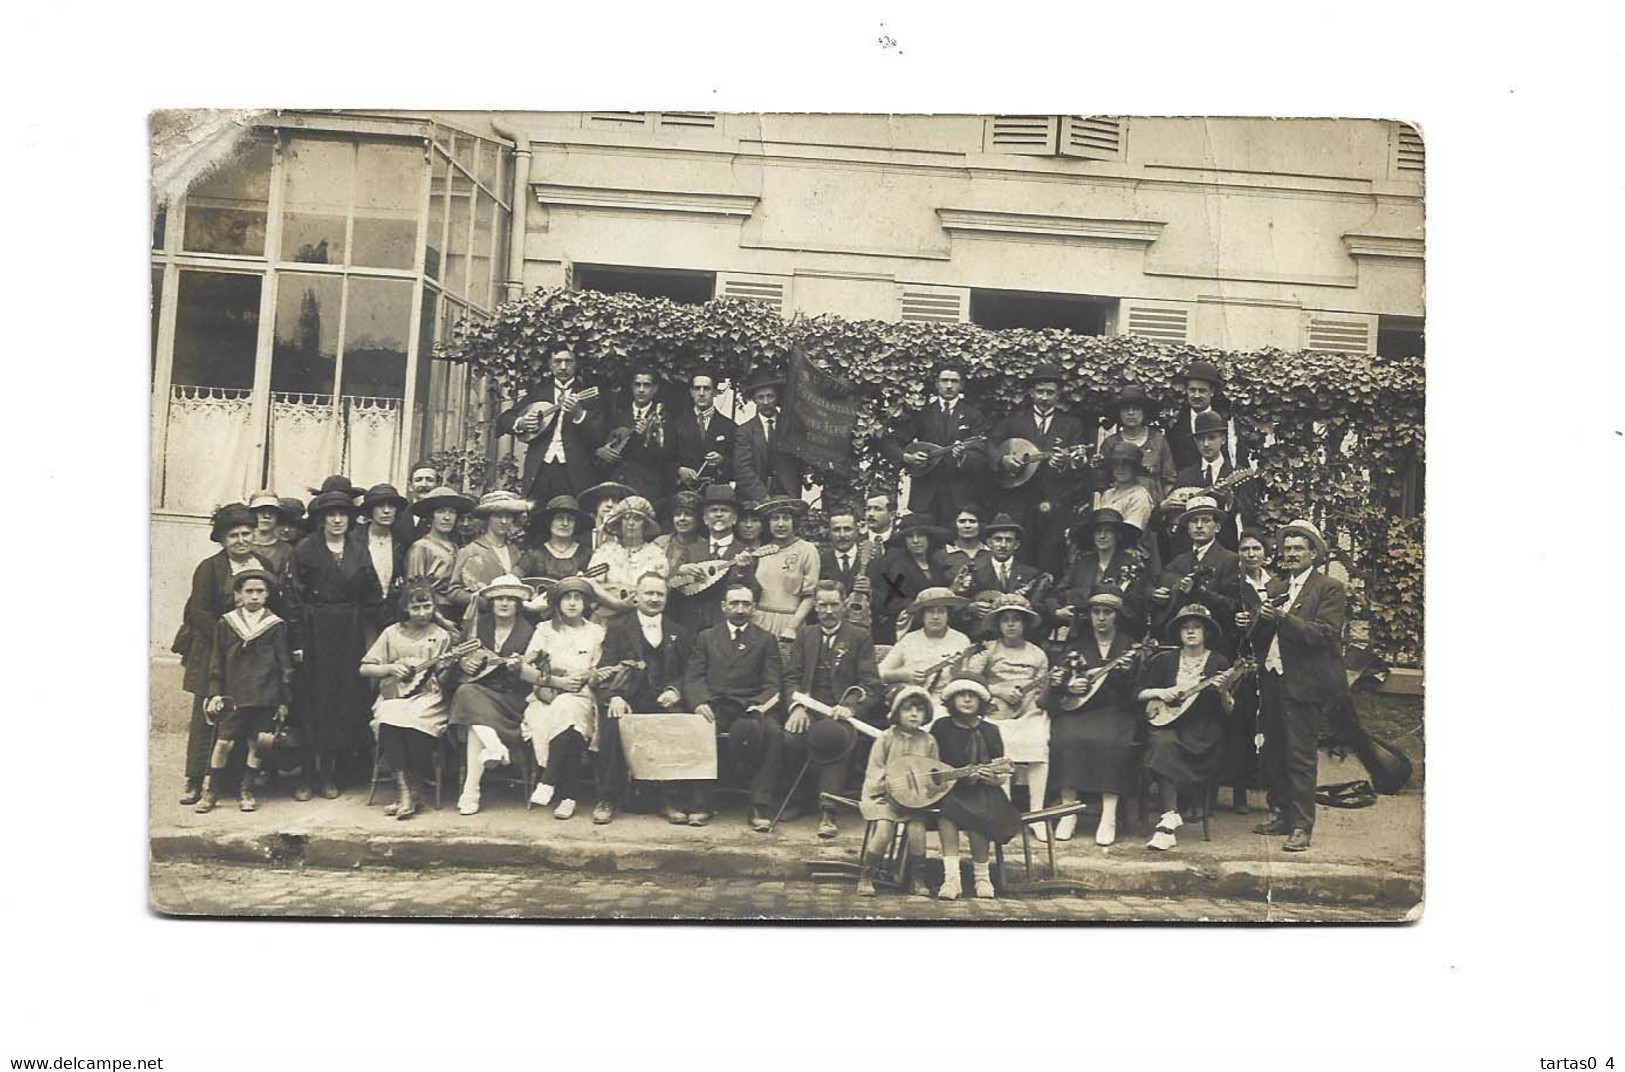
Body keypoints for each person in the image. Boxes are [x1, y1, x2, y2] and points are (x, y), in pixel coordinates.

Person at [1239, 520, 1351, 853]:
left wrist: (1284, 619)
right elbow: (1262, 636)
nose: (1291, 554)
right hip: (1272, 678)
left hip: (1304, 683)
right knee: (1273, 750)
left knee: (1301, 755)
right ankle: (1282, 813)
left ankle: (1302, 825)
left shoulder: (1328, 588)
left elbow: (1324, 635)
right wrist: (1250, 622)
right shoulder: (1275, 587)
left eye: (1298, 548)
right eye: (1287, 549)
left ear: (1314, 553)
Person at [283, 490, 385, 797]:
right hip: (314, 631)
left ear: (350, 519)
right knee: (312, 702)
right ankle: (307, 775)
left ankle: (330, 773)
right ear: (321, 519)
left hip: (349, 632)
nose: (337, 520)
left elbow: (372, 594)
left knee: (342, 701)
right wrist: (298, 640)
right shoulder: (305, 549)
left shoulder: (359, 550)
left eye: (343, 514)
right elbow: (292, 599)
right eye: (331, 515)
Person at [175, 504, 278, 806]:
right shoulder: (209, 568)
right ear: (222, 539)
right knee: (209, 713)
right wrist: (228, 636)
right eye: (233, 535)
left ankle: (229, 781)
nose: (241, 540)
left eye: (247, 533)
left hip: (252, 654)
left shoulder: (263, 565)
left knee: (242, 713)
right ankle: (195, 780)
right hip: (213, 650)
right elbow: (199, 612)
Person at [681, 579, 789, 832]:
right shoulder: (706, 637)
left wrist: (759, 706)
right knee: (698, 727)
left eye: (745, 604)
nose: (740, 609)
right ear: (723, 606)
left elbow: (773, 685)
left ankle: (760, 804)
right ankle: (701, 802)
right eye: (734, 603)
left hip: (750, 707)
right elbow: (693, 676)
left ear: (754, 608)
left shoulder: (765, 640)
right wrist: (699, 702)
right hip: (714, 705)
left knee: (773, 733)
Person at [783, 580, 883, 838]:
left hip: (841, 713)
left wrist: (850, 707)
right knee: (790, 737)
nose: (828, 611)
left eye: (834, 605)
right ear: (815, 606)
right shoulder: (806, 635)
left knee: (832, 736)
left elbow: (870, 682)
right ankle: (799, 799)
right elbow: (791, 677)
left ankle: (828, 810)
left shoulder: (859, 637)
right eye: (823, 605)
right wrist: (797, 707)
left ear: (845, 605)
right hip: (809, 707)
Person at [1048, 587, 1147, 845]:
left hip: (1116, 709)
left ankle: (1109, 814)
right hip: (1079, 709)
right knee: (1065, 738)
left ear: (1117, 616)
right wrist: (1070, 686)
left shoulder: (1128, 646)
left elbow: (1135, 689)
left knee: (1112, 741)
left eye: (1107, 612)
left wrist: (1125, 674)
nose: (1101, 618)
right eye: (1096, 612)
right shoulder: (1077, 644)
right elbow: (1058, 677)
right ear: (1089, 615)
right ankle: (1069, 811)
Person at [1137, 604, 1236, 851]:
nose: (1191, 632)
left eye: (1197, 627)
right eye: (1186, 628)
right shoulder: (1166, 660)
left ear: (1206, 633)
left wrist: (1223, 691)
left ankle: (1167, 822)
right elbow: (1139, 692)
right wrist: (1162, 692)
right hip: (1168, 723)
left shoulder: (1218, 662)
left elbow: (1229, 710)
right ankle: (1169, 819)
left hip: (1202, 733)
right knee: (1160, 741)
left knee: (1162, 745)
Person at [195, 569, 294, 814]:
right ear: (238, 594)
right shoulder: (226, 623)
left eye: (260, 591)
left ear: (267, 594)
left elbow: (285, 665)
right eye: (249, 591)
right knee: (223, 743)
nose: (254, 596)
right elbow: (217, 660)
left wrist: (284, 699)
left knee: (257, 744)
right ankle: (212, 791)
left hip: (265, 694)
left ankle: (247, 789)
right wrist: (215, 692)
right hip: (233, 695)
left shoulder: (275, 625)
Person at [599, 572, 694, 825]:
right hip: (629, 698)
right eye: (648, 593)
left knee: (676, 722)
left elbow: (689, 672)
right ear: (637, 596)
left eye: (659, 594)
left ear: (666, 598)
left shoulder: (678, 631)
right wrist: (616, 696)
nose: (654, 599)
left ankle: (670, 799)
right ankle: (608, 797)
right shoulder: (618, 628)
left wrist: (675, 690)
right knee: (612, 720)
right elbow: (605, 668)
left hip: (663, 700)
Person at [359, 581, 456, 820]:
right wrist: (390, 667)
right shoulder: (391, 633)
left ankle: (415, 790)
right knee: (391, 716)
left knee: (415, 719)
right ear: (405, 608)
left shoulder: (441, 635)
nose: (422, 613)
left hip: (429, 697)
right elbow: (365, 669)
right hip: (395, 694)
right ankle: (405, 792)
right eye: (416, 608)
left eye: (427, 606)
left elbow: (443, 680)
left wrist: (446, 667)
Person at [447, 575, 540, 815]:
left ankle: (471, 788)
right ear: (492, 601)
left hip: (512, 699)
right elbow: (460, 657)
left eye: (511, 599)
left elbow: (534, 672)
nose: (505, 603)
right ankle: (490, 754)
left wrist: (517, 667)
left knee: (473, 716)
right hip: (481, 691)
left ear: (519, 603)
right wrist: (464, 663)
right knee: (467, 691)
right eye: (499, 598)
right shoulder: (479, 625)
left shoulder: (529, 631)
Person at [987, 362, 1090, 577]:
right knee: (1019, 558)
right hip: (1018, 501)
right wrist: (1003, 459)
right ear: (1032, 392)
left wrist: (1064, 464)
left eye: (1050, 393)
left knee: (1050, 559)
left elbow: (1079, 466)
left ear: (1058, 395)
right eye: (1040, 392)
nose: (1044, 397)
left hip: (1053, 505)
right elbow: (989, 446)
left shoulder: (1072, 425)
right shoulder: (1014, 422)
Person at [963, 593, 1051, 842]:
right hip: (994, 709)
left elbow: (1042, 691)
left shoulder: (1037, 655)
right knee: (1000, 744)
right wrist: (996, 692)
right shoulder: (989, 650)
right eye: (1006, 620)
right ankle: (1003, 810)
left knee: (1038, 742)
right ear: (999, 624)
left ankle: (1037, 813)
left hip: (1029, 710)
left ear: (1024, 624)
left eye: (1016, 620)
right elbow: (970, 680)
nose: (1011, 624)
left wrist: (1030, 701)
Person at [522, 576, 607, 820]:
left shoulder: (596, 632)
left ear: (586, 603)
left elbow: (599, 670)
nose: (572, 603)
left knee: (570, 711)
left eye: (577, 598)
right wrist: (557, 682)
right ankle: (569, 796)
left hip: (582, 695)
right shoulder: (545, 630)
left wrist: (585, 677)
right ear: (557, 603)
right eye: (566, 598)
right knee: (567, 720)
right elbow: (525, 669)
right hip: (546, 697)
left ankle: (549, 781)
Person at [932, 672, 1022, 900]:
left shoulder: (991, 731)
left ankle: (982, 878)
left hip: (985, 791)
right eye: (961, 695)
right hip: (949, 790)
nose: (967, 700)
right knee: (948, 814)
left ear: (982, 701)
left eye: (972, 695)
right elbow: (930, 762)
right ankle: (951, 879)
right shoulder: (941, 727)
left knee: (978, 815)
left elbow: (1000, 774)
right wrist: (948, 777)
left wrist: (991, 778)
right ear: (951, 700)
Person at [878, 362, 990, 529]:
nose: (949, 386)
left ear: (961, 385)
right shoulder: (922, 413)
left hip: (959, 496)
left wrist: (964, 457)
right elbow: (891, 442)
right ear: (937, 384)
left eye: (954, 381)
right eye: (944, 380)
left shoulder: (973, 415)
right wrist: (907, 457)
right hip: (925, 494)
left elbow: (982, 454)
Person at [856, 685, 939, 898]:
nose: (913, 714)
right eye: (908, 709)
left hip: (914, 800)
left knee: (917, 831)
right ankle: (867, 874)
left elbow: (932, 773)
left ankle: (916, 877)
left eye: (919, 710)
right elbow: (875, 769)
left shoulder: (929, 741)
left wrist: (923, 792)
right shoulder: (886, 738)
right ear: (897, 713)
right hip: (884, 797)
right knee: (884, 830)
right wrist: (887, 787)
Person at [496, 349, 608, 504]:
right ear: (550, 365)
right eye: (557, 361)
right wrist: (520, 423)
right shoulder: (539, 392)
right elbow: (504, 419)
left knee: (572, 518)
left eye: (568, 361)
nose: (563, 367)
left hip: (575, 472)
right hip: (540, 470)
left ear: (576, 364)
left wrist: (579, 413)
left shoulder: (589, 395)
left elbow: (599, 437)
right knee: (535, 519)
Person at [1224, 528, 1273, 814]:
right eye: (1245, 549)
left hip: (1270, 658)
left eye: (1256, 549)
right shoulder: (1233, 584)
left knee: (1267, 724)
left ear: (1265, 554)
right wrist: (1235, 620)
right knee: (1241, 724)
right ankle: (1239, 792)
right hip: (1242, 659)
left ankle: (1269, 789)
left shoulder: (1277, 584)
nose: (1251, 554)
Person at [1150, 495, 1242, 646]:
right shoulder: (1179, 560)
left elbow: (1233, 606)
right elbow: (1162, 582)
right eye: (1194, 521)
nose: (1199, 526)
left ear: (1217, 527)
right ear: (1188, 528)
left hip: (1216, 639)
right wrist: (1162, 593)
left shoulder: (1230, 560)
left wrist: (1200, 591)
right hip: (1180, 638)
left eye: (1205, 520)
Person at [1163, 410, 1259, 552]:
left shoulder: (1237, 473)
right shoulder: (1185, 475)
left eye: (1212, 438)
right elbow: (1166, 520)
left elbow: (1250, 517)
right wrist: (1163, 508)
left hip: (1226, 549)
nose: (1206, 444)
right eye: (1201, 439)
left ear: (1223, 439)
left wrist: (1229, 501)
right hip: (1188, 551)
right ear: (1195, 442)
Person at [877, 587, 975, 716]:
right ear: (922, 615)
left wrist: (956, 673)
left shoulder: (961, 640)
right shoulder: (909, 639)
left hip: (947, 705)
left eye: (941, 611)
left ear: (948, 615)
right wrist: (902, 675)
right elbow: (878, 673)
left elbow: (967, 680)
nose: (935, 617)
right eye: (930, 611)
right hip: (912, 705)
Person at [669, 484, 750, 633]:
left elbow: (754, 591)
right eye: (713, 511)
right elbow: (672, 586)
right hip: (690, 627)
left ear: (734, 519)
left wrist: (741, 572)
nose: (718, 515)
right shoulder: (692, 550)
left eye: (724, 510)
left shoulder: (744, 552)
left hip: (726, 628)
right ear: (705, 519)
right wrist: (681, 571)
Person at [1056, 507, 1151, 632]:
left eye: (1108, 531)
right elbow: (1060, 593)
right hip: (1082, 629)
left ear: (1117, 535)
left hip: (1120, 630)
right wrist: (1058, 611)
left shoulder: (1131, 564)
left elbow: (1136, 602)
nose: (1102, 536)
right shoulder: (1083, 563)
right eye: (1098, 531)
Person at [952, 514, 1052, 632]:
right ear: (989, 543)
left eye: (1008, 540)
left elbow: (1041, 610)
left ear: (1016, 545)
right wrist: (969, 608)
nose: (1003, 545)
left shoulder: (1031, 575)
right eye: (998, 539)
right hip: (983, 638)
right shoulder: (973, 572)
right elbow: (956, 606)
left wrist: (1028, 606)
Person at [448, 491, 534, 627]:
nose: (504, 521)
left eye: (508, 516)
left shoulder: (516, 551)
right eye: (498, 516)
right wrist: (485, 601)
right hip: (481, 623)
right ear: (488, 518)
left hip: (513, 623)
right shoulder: (470, 551)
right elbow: (453, 592)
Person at [868, 512, 953, 644]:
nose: (915, 541)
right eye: (910, 537)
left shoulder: (935, 564)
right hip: (907, 630)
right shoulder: (898, 565)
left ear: (929, 538)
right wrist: (920, 606)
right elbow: (894, 600)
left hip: (935, 627)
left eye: (920, 535)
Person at [749, 497, 820, 646]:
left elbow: (810, 595)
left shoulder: (807, 550)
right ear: (768, 523)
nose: (780, 524)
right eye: (775, 519)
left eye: (786, 518)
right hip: (759, 621)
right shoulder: (761, 552)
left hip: (791, 621)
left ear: (794, 522)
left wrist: (792, 627)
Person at [587, 495, 668, 625]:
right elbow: (591, 584)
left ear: (645, 524)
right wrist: (616, 603)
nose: (630, 523)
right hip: (607, 619)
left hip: (641, 620)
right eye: (626, 518)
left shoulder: (655, 553)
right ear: (620, 522)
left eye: (637, 519)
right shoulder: (605, 551)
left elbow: (657, 589)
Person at [404, 486, 474, 629]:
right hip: (432, 613)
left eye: (452, 512)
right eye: (441, 512)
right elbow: (415, 590)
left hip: (458, 611)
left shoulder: (455, 547)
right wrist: (441, 620)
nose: (447, 517)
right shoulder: (420, 547)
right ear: (431, 516)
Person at [600, 365, 672, 501]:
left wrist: (648, 436)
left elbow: (667, 456)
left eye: (647, 385)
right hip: (619, 484)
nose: (641, 390)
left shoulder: (663, 418)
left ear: (655, 389)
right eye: (637, 385)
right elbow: (605, 442)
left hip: (647, 488)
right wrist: (601, 452)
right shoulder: (619, 415)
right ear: (631, 387)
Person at [1097, 384, 1178, 505]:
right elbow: (1102, 481)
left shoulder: (1158, 441)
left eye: (1136, 408)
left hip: (1155, 506)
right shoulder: (1111, 443)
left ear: (1144, 412)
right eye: (1126, 409)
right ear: (1119, 413)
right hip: (1119, 506)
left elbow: (1169, 478)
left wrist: (1164, 505)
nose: (1131, 413)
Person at [733, 368, 802, 502]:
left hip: (787, 494)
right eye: (760, 397)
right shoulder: (744, 431)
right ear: (754, 400)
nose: (765, 402)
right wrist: (763, 496)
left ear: (777, 398)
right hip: (754, 497)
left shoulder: (791, 427)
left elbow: (799, 463)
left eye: (770, 396)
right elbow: (743, 469)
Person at [1094, 440, 1162, 576]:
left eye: (1126, 465)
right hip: (1104, 550)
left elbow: (1131, 533)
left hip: (1130, 557)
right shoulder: (1108, 494)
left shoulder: (1140, 495)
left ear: (1135, 469)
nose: (1120, 469)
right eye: (1116, 464)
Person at [1166, 359, 1243, 472]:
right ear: (1186, 391)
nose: (1196, 395)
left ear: (1212, 391)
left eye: (1202, 391)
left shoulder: (1228, 423)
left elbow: (1238, 460)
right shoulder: (1176, 426)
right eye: (1192, 390)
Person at [355, 483, 410, 623]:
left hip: (390, 614)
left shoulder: (401, 541)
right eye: (380, 506)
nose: (386, 511)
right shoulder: (355, 539)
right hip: (358, 613)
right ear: (370, 510)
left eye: (391, 506)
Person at [671, 369, 734, 488]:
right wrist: (679, 470)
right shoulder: (677, 424)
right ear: (691, 392)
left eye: (707, 388)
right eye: (697, 388)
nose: (701, 393)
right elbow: (667, 459)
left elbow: (738, 463)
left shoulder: (729, 426)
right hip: (685, 491)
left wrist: (722, 460)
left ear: (715, 392)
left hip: (716, 491)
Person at [526, 495, 594, 599]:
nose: (565, 523)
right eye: (559, 518)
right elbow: (512, 581)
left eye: (570, 519)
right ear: (549, 522)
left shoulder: (587, 554)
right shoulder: (534, 554)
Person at [246, 491, 295, 575]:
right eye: (261, 511)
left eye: (272, 512)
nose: (267, 516)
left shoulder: (286, 550)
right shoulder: (242, 545)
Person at [936, 503, 989, 580]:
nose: (967, 526)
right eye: (962, 521)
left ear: (980, 525)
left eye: (972, 521)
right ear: (954, 525)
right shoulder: (941, 556)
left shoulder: (990, 554)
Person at [578, 481, 633, 554]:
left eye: (615, 501)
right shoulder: (580, 540)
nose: (610, 505)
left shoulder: (628, 539)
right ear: (596, 504)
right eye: (604, 500)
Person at [655, 490, 705, 570]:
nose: (682, 518)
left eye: (688, 514)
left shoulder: (706, 547)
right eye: (677, 514)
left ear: (698, 518)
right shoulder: (659, 544)